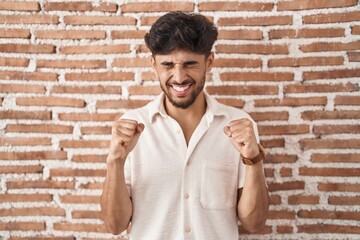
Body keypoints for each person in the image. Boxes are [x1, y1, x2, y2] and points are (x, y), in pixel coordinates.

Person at [100, 11, 269, 240]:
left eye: (190, 63)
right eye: (167, 64)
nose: (179, 77)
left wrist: (254, 160)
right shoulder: (130, 130)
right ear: (153, 64)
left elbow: (254, 223)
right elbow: (115, 225)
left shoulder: (239, 126)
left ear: (209, 62)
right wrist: (115, 161)